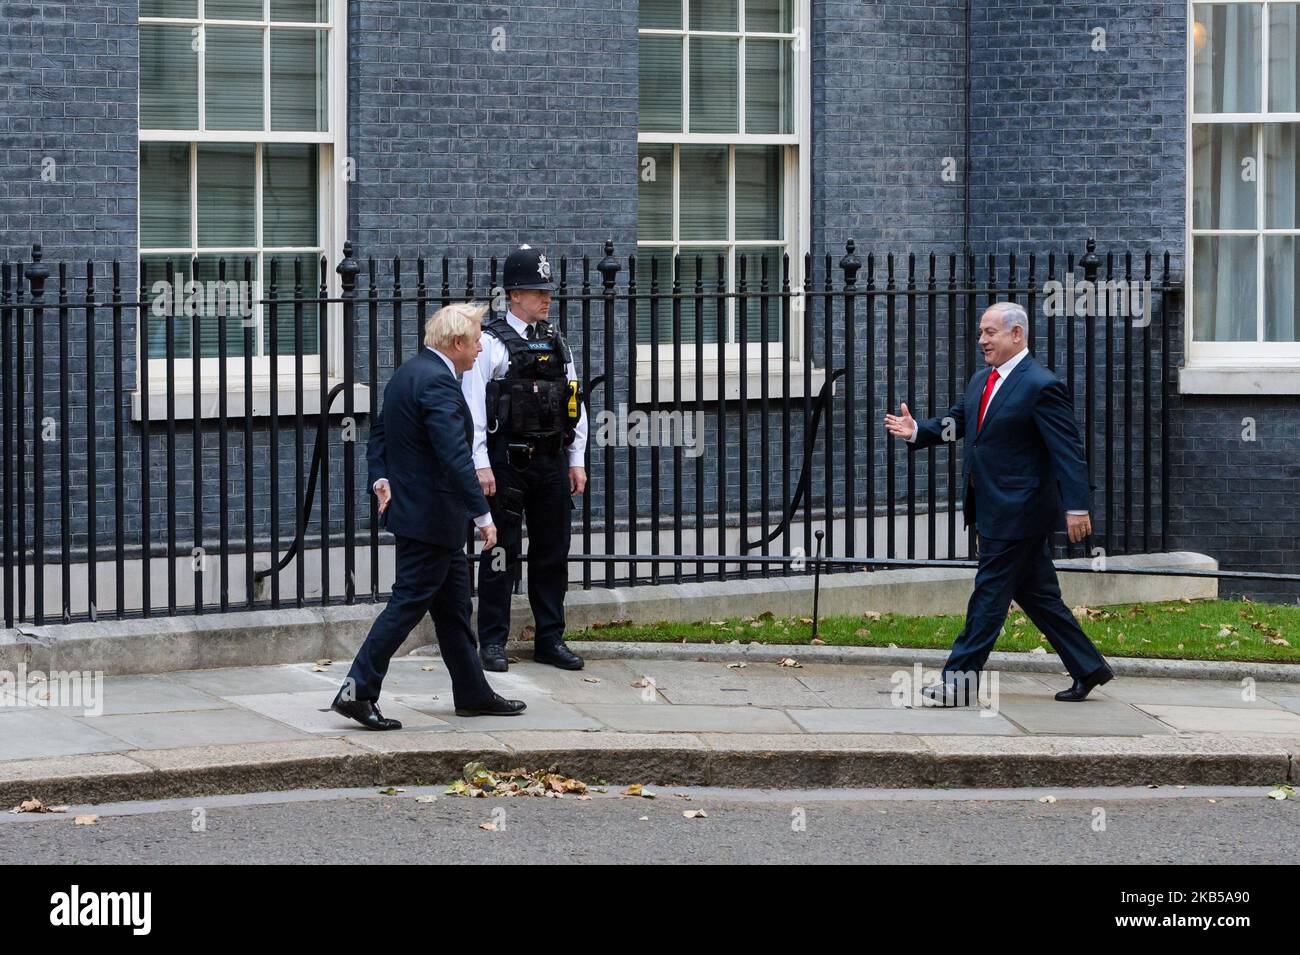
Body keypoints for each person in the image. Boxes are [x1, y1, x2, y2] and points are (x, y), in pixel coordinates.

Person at [883, 301, 1113, 704]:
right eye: (981, 333)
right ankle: (1089, 667)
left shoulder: (1040, 385)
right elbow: (958, 423)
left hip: (1019, 511)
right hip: (992, 507)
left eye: (990, 332)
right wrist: (918, 429)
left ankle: (958, 680)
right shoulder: (982, 381)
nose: (982, 340)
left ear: (1016, 334)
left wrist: (1077, 506)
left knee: (989, 594)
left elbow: (1068, 450)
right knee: (1039, 596)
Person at [332, 303, 526, 729]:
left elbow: (381, 433)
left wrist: (380, 476)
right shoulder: (439, 383)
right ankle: (357, 691)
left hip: (421, 514)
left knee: (455, 609)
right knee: (406, 605)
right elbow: (454, 456)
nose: (480, 349)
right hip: (433, 519)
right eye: (475, 341)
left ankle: (473, 693)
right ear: (456, 343)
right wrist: (482, 513)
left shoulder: (409, 373)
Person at [462, 244, 587, 672]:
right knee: (502, 552)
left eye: (547, 290)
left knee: (553, 551)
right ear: (514, 294)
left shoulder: (557, 340)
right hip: (507, 463)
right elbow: (475, 408)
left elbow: (575, 401)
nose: (546, 298)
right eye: (536, 291)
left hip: (551, 461)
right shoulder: (492, 344)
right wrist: (479, 463)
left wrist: (577, 458)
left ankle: (550, 638)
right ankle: (492, 641)